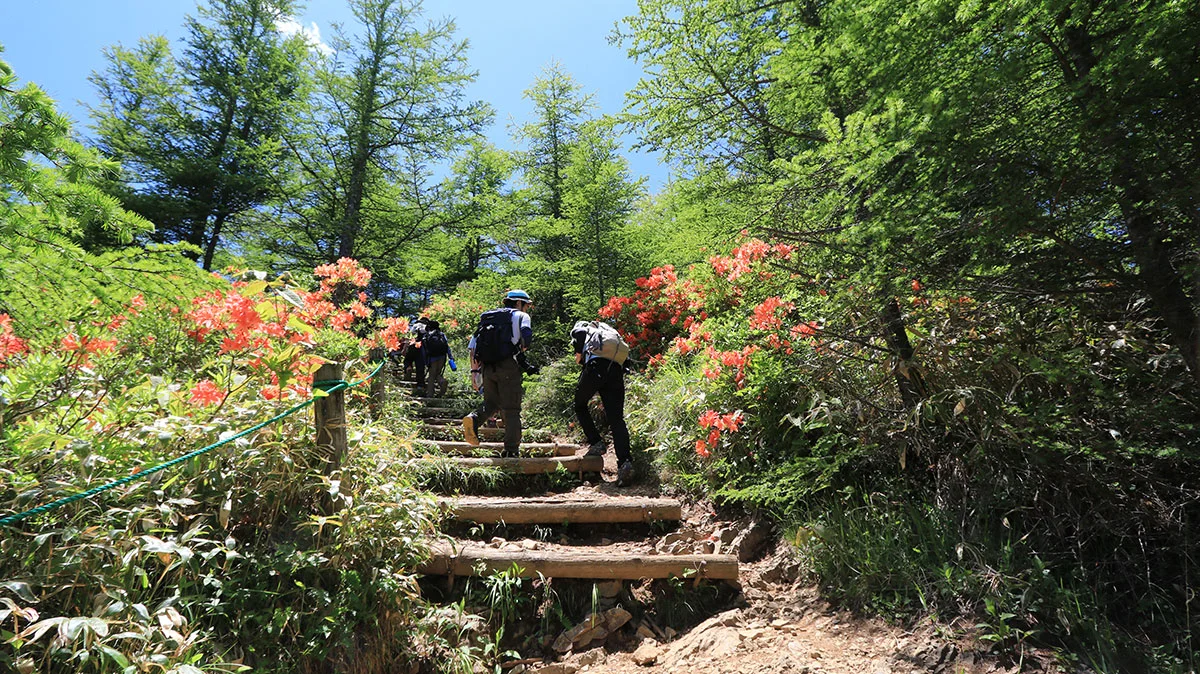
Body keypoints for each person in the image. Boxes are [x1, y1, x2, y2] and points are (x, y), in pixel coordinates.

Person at [462, 290, 534, 457]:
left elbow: (473, 347)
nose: (527, 308)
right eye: (526, 305)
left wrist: (475, 372)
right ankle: (511, 451)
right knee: (512, 409)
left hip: (487, 367)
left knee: (492, 403)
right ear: (518, 303)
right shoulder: (521, 316)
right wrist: (518, 353)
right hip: (508, 365)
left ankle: (474, 418)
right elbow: (527, 338)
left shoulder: (488, 318)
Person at [571, 320, 635, 486]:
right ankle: (625, 462)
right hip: (615, 370)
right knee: (616, 419)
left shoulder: (582, 327)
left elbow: (578, 335)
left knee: (579, 404)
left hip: (595, 367)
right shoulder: (608, 330)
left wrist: (579, 354)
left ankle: (597, 443)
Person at [423, 319, 453, 398]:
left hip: (432, 357)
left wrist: (425, 361)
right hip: (442, 357)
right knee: (437, 374)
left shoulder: (427, 335)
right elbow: (447, 346)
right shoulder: (441, 334)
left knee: (432, 376)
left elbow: (424, 349)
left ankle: (430, 395)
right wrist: (450, 357)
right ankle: (442, 383)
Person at [403, 316, 430, 391]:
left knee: (407, 360)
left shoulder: (415, 325)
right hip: (421, 348)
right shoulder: (427, 327)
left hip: (412, 345)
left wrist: (405, 348)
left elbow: (409, 338)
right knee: (420, 366)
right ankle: (420, 385)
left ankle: (408, 368)